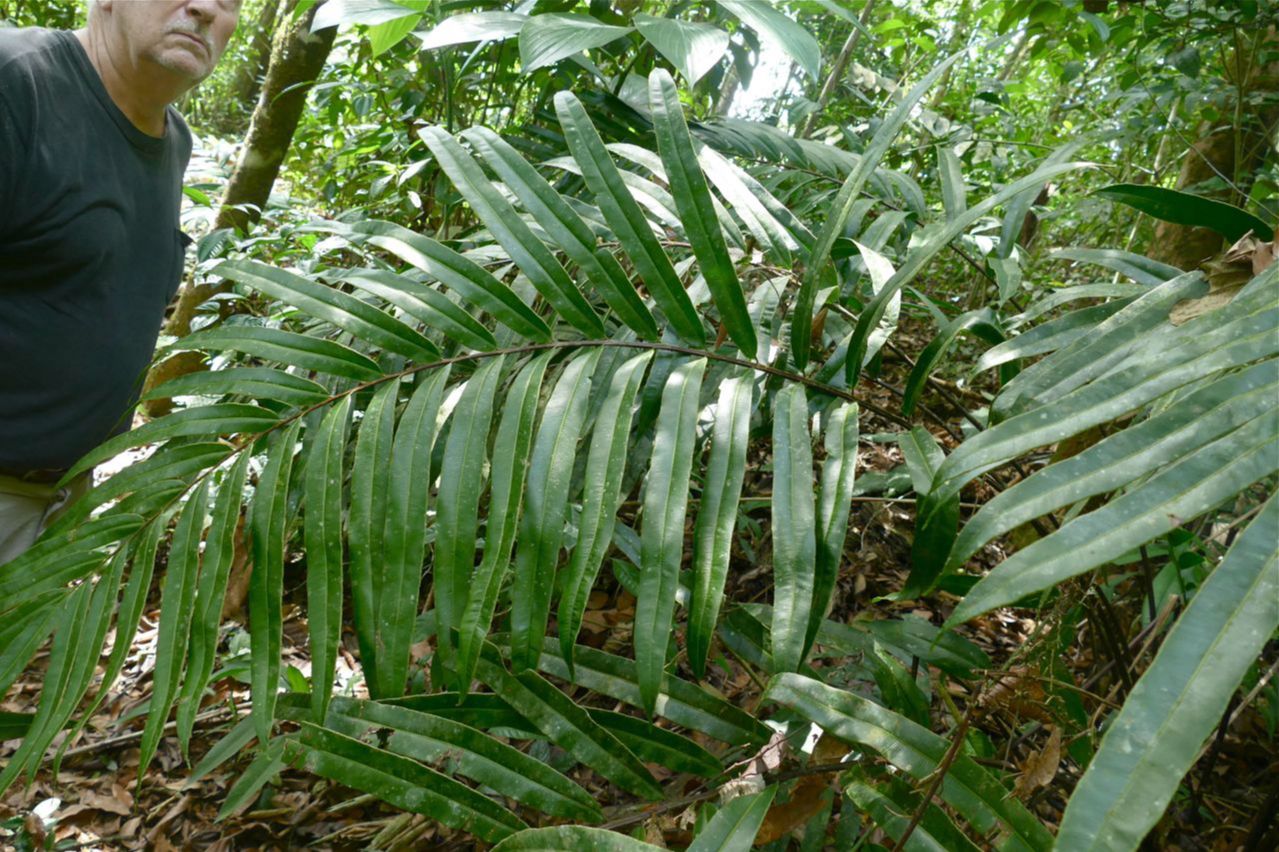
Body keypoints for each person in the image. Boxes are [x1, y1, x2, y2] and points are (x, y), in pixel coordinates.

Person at [0, 0, 240, 564]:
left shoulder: (173, 141)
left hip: (67, 499)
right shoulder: (18, 84)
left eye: (230, 0)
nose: (205, 8)